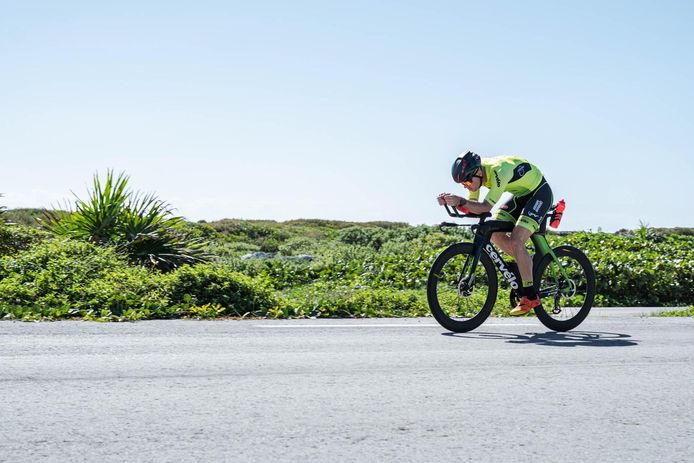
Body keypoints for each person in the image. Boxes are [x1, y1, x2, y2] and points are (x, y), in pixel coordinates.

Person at [436, 151, 553, 315]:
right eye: (463, 184)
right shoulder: (477, 174)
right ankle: (526, 263)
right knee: (494, 232)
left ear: (477, 172)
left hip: (539, 193)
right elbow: (473, 206)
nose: (467, 186)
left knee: (516, 240)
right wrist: (453, 202)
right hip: (521, 195)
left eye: (468, 182)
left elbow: (484, 207)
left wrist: (460, 201)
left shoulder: (498, 171)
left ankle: (530, 296)